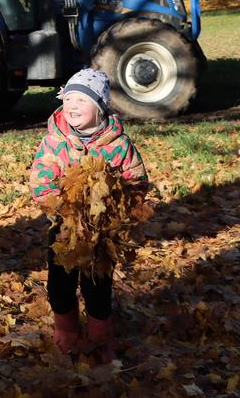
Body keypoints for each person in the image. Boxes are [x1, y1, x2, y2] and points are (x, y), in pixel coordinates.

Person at [28, 68, 149, 362]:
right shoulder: (54, 142)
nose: (72, 106)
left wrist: (123, 204)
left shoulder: (119, 145)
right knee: (60, 282)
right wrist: (61, 207)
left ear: (100, 107)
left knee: (98, 286)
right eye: (68, 99)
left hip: (102, 232)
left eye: (81, 100)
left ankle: (99, 336)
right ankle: (66, 329)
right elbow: (40, 181)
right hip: (64, 229)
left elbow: (136, 181)